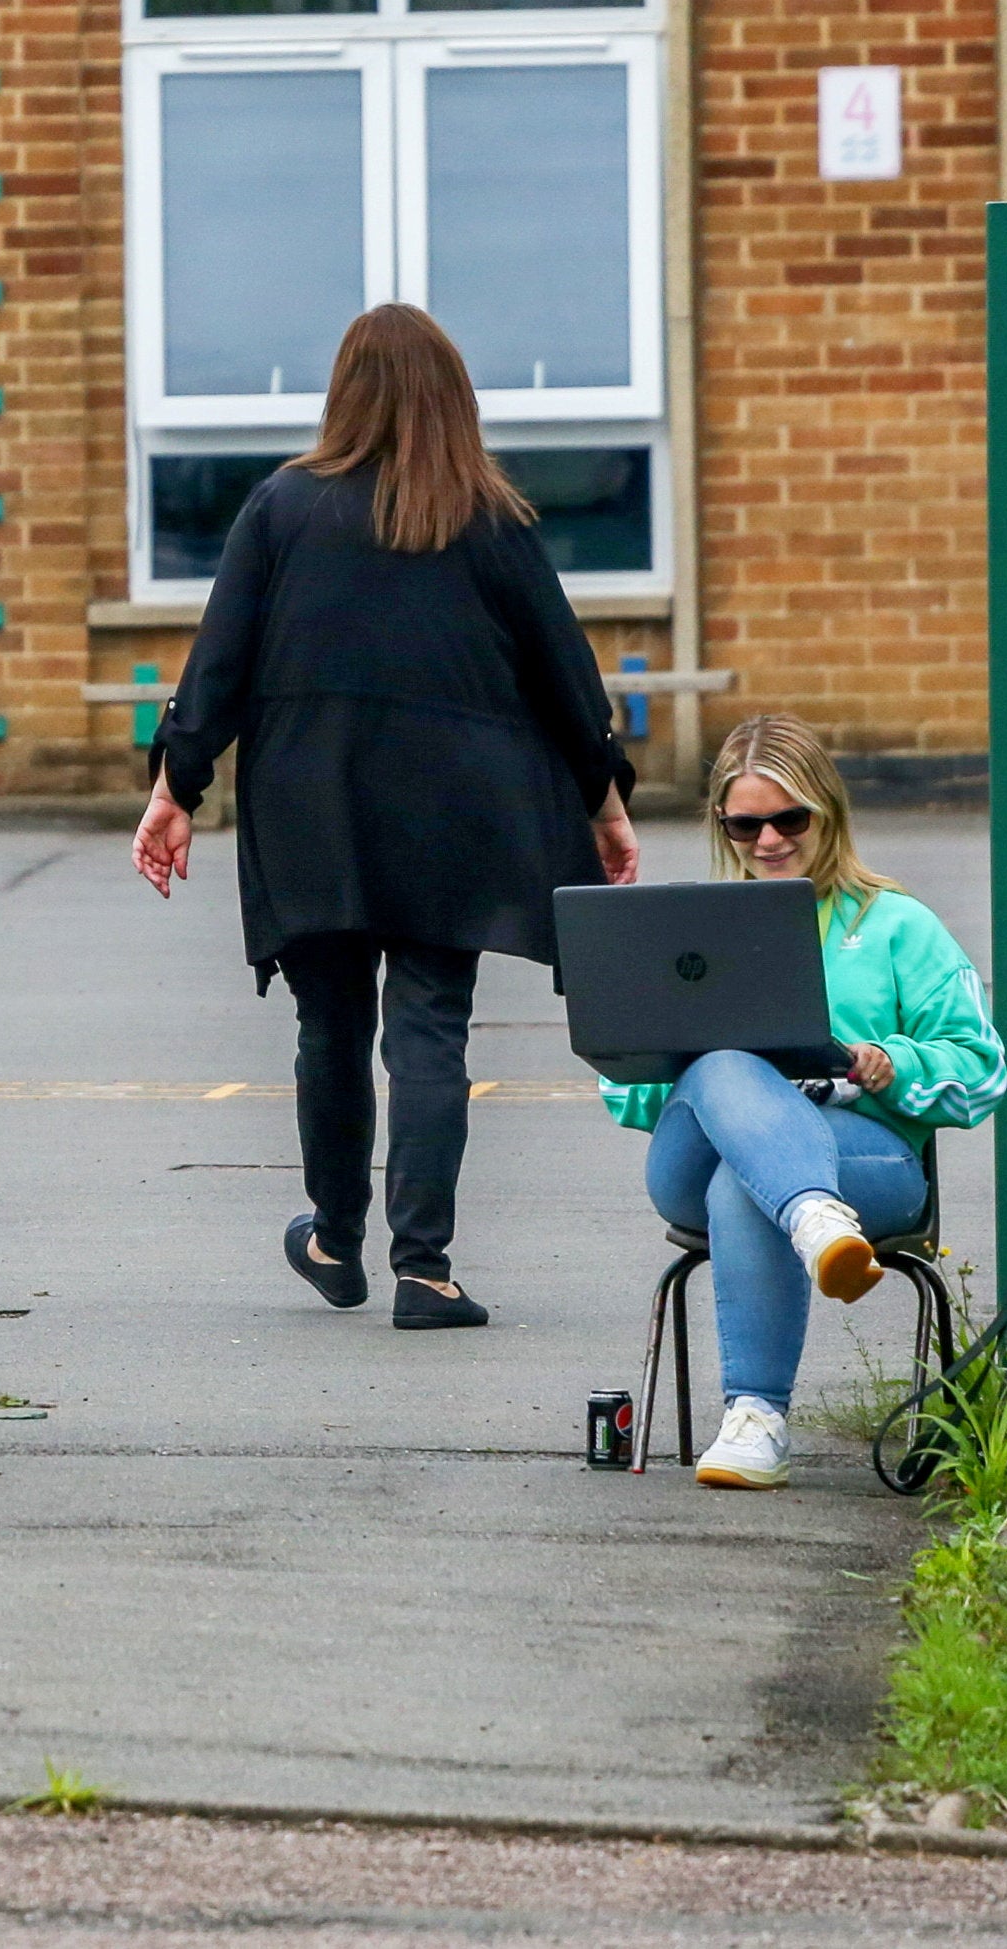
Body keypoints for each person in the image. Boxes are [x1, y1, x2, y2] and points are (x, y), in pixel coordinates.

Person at [134, 304, 641, 1331]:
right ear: (453, 399)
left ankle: (332, 1235)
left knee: (330, 1023)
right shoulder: (488, 517)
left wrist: (174, 788)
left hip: (310, 804)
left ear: (342, 393)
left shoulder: (281, 505)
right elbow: (564, 673)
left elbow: (218, 662)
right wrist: (605, 795)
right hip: (453, 814)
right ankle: (427, 1267)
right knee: (429, 1029)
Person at [603, 715, 1005, 1490]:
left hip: (869, 1160)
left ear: (829, 810)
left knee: (744, 1183)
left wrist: (894, 1062)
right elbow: (626, 1090)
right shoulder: (695, 931)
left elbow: (983, 1068)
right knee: (724, 1060)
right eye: (745, 823)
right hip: (703, 1153)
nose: (769, 840)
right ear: (722, 824)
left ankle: (756, 1420)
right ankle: (810, 1214)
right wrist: (660, 1047)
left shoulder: (897, 925)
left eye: (789, 819)